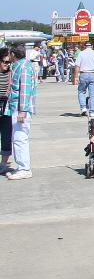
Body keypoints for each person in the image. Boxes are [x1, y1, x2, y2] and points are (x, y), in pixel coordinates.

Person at [4, 47, 38, 180]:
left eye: (9, 55)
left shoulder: (23, 67)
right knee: (17, 138)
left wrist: (22, 111)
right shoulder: (20, 65)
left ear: (13, 54)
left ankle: (24, 168)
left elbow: (25, 89)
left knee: (20, 138)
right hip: (16, 108)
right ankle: (21, 167)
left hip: (20, 109)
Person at [74, 42, 94, 118]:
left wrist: (76, 77)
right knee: (92, 94)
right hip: (93, 74)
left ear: (85, 46)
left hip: (84, 73)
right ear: (92, 46)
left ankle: (83, 108)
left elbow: (77, 66)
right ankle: (92, 111)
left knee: (81, 91)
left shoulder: (81, 53)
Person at [0, 48, 12, 174]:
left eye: (9, 63)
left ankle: (3, 163)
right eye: (5, 62)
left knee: (6, 135)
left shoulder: (11, 73)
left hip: (6, 106)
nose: (7, 65)